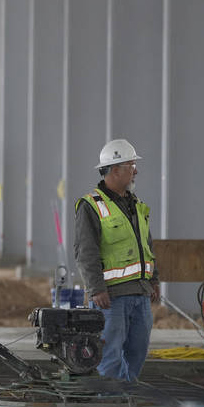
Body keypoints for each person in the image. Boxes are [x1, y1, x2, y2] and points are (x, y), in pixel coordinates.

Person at [73, 139, 159, 383]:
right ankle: (109, 395)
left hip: (140, 293)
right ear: (115, 169)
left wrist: (154, 279)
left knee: (137, 350)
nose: (135, 171)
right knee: (109, 351)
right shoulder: (91, 206)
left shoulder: (135, 204)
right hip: (111, 297)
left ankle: (126, 392)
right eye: (131, 165)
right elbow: (85, 251)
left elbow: (146, 246)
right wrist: (96, 288)